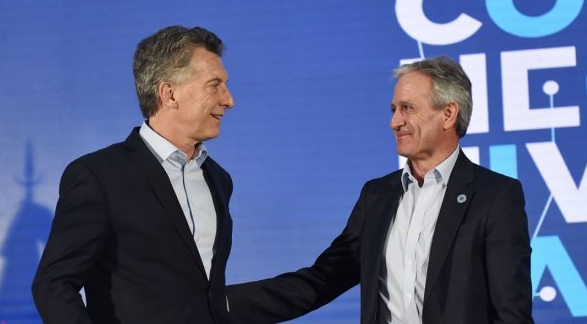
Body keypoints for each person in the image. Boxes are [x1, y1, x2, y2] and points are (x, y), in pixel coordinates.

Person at [227, 56, 533, 324]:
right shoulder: (377, 197)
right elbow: (321, 280)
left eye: (407, 108)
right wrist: (221, 303)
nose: (394, 122)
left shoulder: (495, 196)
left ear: (448, 114)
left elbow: (511, 313)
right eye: (394, 109)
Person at [32, 25, 236, 323]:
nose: (229, 100)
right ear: (169, 94)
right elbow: (53, 285)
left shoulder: (218, 179)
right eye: (215, 85)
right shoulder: (98, 176)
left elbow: (204, 297)